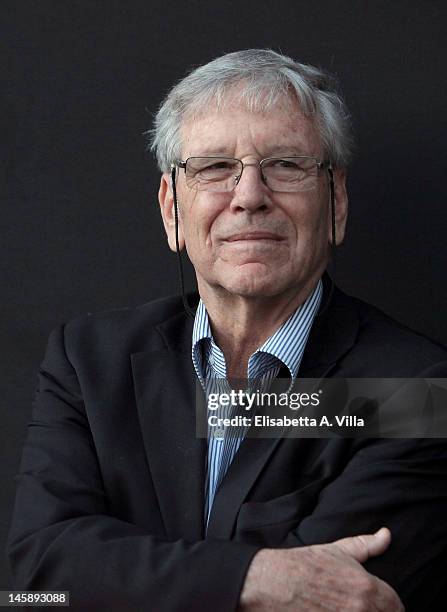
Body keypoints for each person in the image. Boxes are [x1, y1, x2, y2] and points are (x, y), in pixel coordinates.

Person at [8, 49, 447, 611]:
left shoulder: (413, 387)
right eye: (214, 167)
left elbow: (340, 604)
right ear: (172, 209)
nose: (249, 196)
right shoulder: (89, 360)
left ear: (336, 200)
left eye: (287, 165)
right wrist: (259, 578)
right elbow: (39, 574)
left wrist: (125, 578)